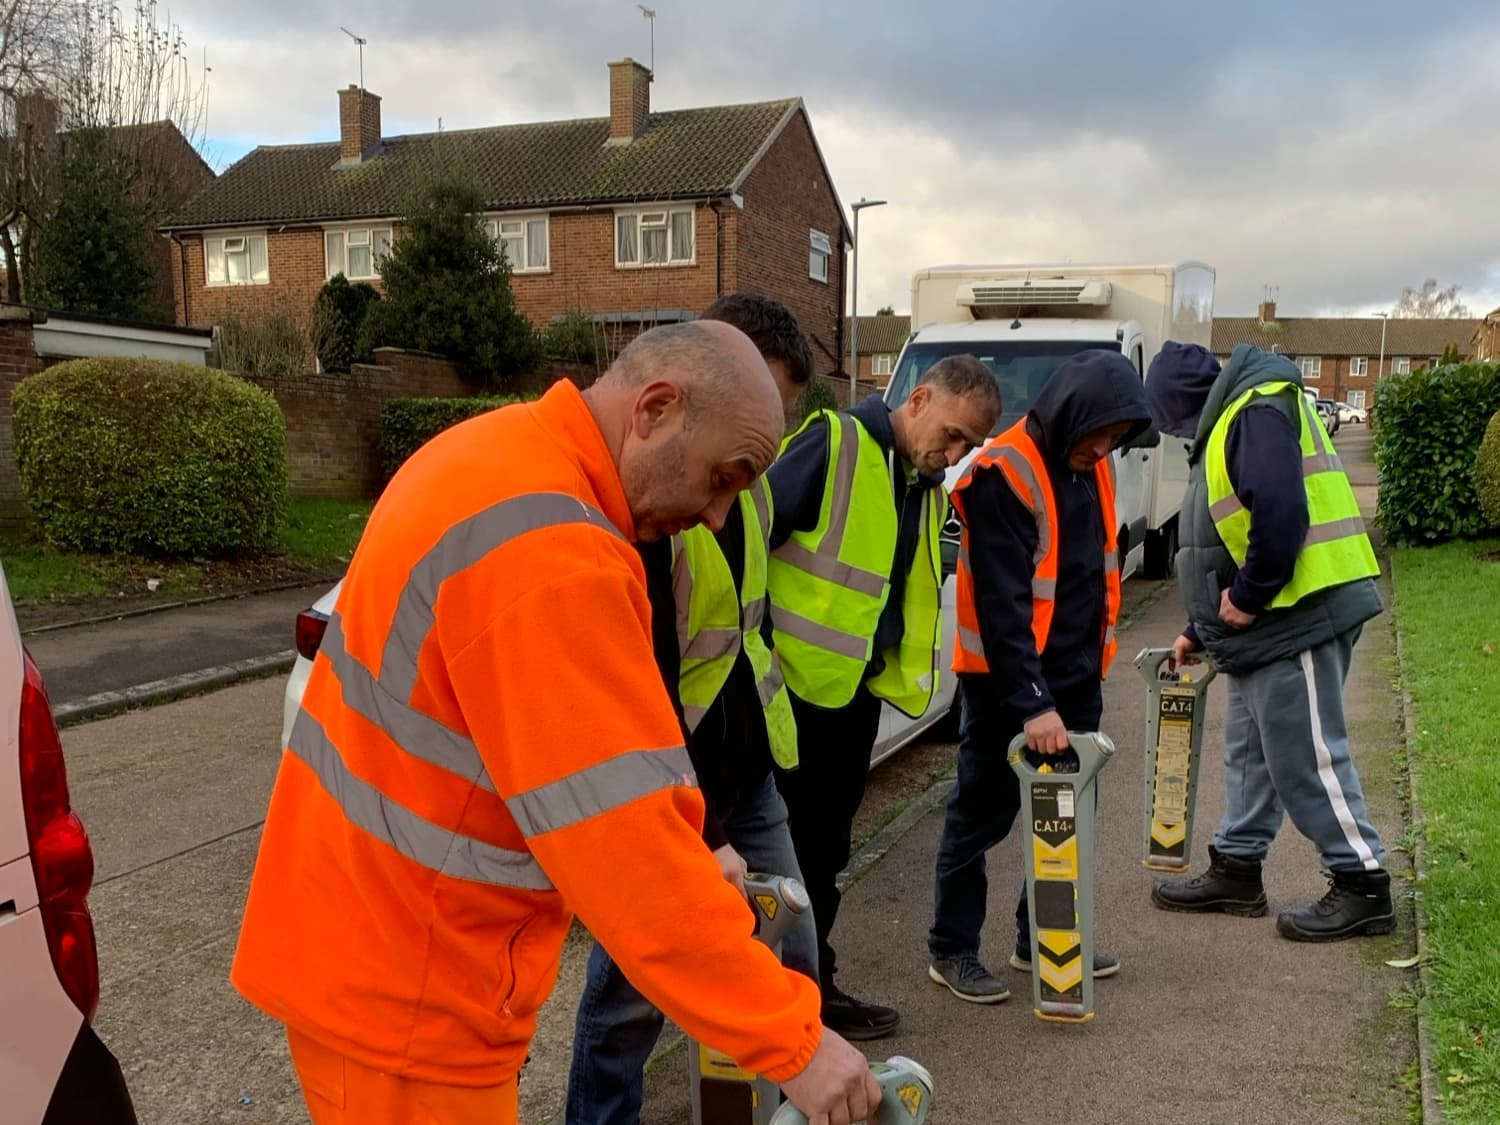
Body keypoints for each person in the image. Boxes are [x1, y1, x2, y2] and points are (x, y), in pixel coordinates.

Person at [231, 321, 882, 1125]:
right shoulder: (554, 548)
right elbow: (624, 846)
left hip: (360, 949)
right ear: (654, 408)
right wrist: (793, 1040)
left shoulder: (493, 453)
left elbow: (567, 764)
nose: (719, 516)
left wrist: (684, 849)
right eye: (723, 476)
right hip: (414, 1000)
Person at [566, 294, 819, 1125]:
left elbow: (748, 625)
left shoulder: (740, 490)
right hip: (682, 789)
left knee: (788, 943)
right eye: (753, 413)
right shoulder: (644, 511)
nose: (729, 496)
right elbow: (643, 682)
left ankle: (796, 1093)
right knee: (632, 988)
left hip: (747, 771)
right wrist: (697, 833)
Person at [767, 355, 1001, 1039]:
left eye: (970, 447)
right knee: (784, 860)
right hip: (788, 697)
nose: (955, 455)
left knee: (823, 855)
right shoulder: (836, 444)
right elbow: (746, 539)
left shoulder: (921, 483)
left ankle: (812, 988)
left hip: (849, 697)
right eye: (953, 435)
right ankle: (780, 1006)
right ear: (919, 397)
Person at [1144, 341, 1394, 942]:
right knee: (1254, 752)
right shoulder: (1242, 414)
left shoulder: (1251, 412)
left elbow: (1280, 516)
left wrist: (1250, 596)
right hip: (1272, 618)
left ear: (1180, 405)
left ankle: (1363, 883)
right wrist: (1197, 629)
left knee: (1307, 756)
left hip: (1297, 611)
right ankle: (1238, 866)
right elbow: (1225, 541)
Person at [925, 350, 1150, 1002]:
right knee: (982, 814)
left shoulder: (1091, 465)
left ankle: (1044, 935)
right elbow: (1003, 605)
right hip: (1008, 685)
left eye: (1116, 440)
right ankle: (951, 946)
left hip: (1075, 678)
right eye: (1100, 436)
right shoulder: (1005, 472)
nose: (1105, 449)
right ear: (1072, 416)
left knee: (1066, 815)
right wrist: (1032, 703)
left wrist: (1080, 678)